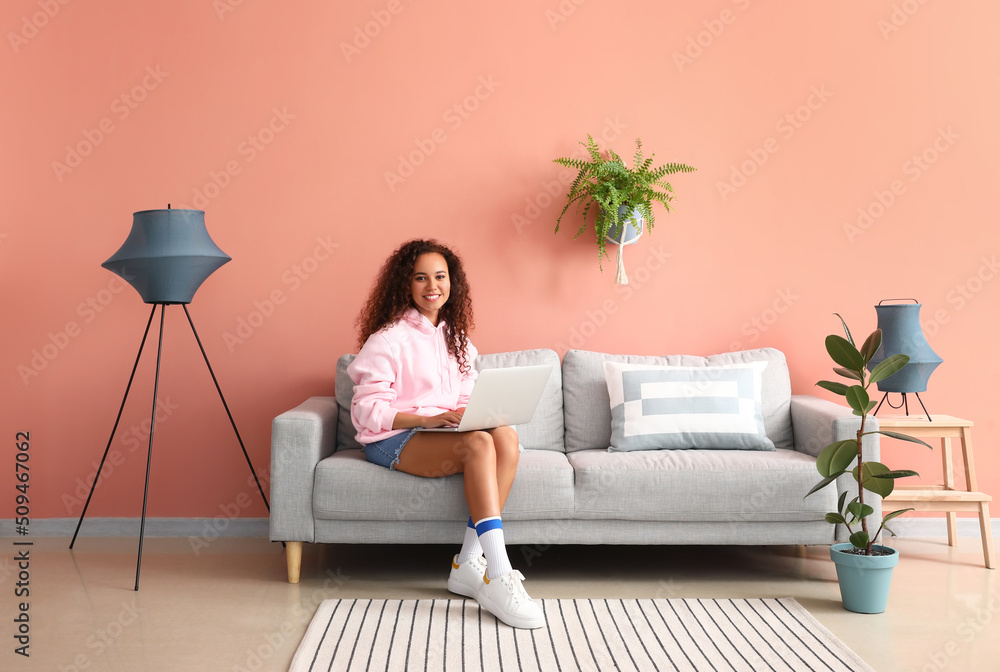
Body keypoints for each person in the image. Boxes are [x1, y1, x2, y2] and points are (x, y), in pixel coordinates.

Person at [347, 239, 545, 630]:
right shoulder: (387, 339)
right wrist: (425, 420)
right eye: (420, 278)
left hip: (439, 432)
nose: (432, 285)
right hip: (391, 440)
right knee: (477, 444)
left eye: (440, 276)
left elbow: (466, 393)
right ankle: (499, 573)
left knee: (502, 437)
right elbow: (365, 411)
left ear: (452, 282)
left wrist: (474, 413)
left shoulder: (455, 338)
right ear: (406, 284)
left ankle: (467, 563)